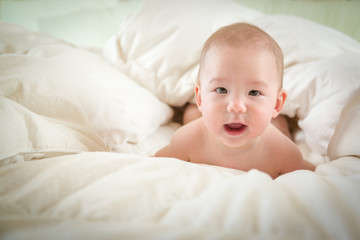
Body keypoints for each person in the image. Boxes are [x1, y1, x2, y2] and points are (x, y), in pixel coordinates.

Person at [155, 23, 315, 179]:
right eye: (221, 89)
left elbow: (314, 177)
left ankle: (283, 121)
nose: (236, 106)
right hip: (202, 119)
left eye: (254, 92)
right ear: (200, 98)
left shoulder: (283, 153)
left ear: (277, 104)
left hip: (273, 128)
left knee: (279, 127)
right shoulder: (187, 139)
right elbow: (151, 165)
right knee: (191, 116)